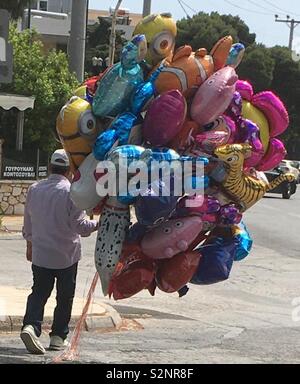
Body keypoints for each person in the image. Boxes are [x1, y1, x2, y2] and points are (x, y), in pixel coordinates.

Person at [20, 149, 98, 355]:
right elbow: (80, 226)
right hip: (66, 256)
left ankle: (31, 326)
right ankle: (57, 337)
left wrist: (29, 244)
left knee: (38, 292)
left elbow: (28, 221)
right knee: (64, 297)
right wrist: (99, 223)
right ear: (70, 169)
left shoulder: (34, 189)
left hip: (41, 253)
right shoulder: (72, 192)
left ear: (49, 166)